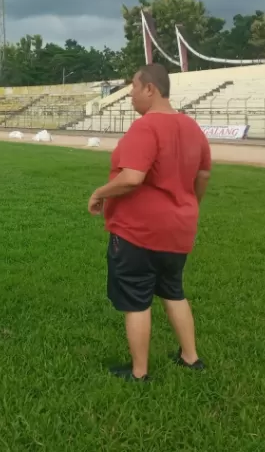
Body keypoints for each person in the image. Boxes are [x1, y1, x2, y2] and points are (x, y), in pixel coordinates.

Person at [88, 64, 211, 382]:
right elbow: (203, 175)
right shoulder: (192, 127)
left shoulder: (146, 128)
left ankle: (139, 372)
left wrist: (100, 193)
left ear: (150, 89)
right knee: (173, 291)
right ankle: (190, 357)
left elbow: (132, 178)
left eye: (133, 88)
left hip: (139, 230)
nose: (130, 95)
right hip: (178, 229)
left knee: (137, 299)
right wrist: (188, 204)